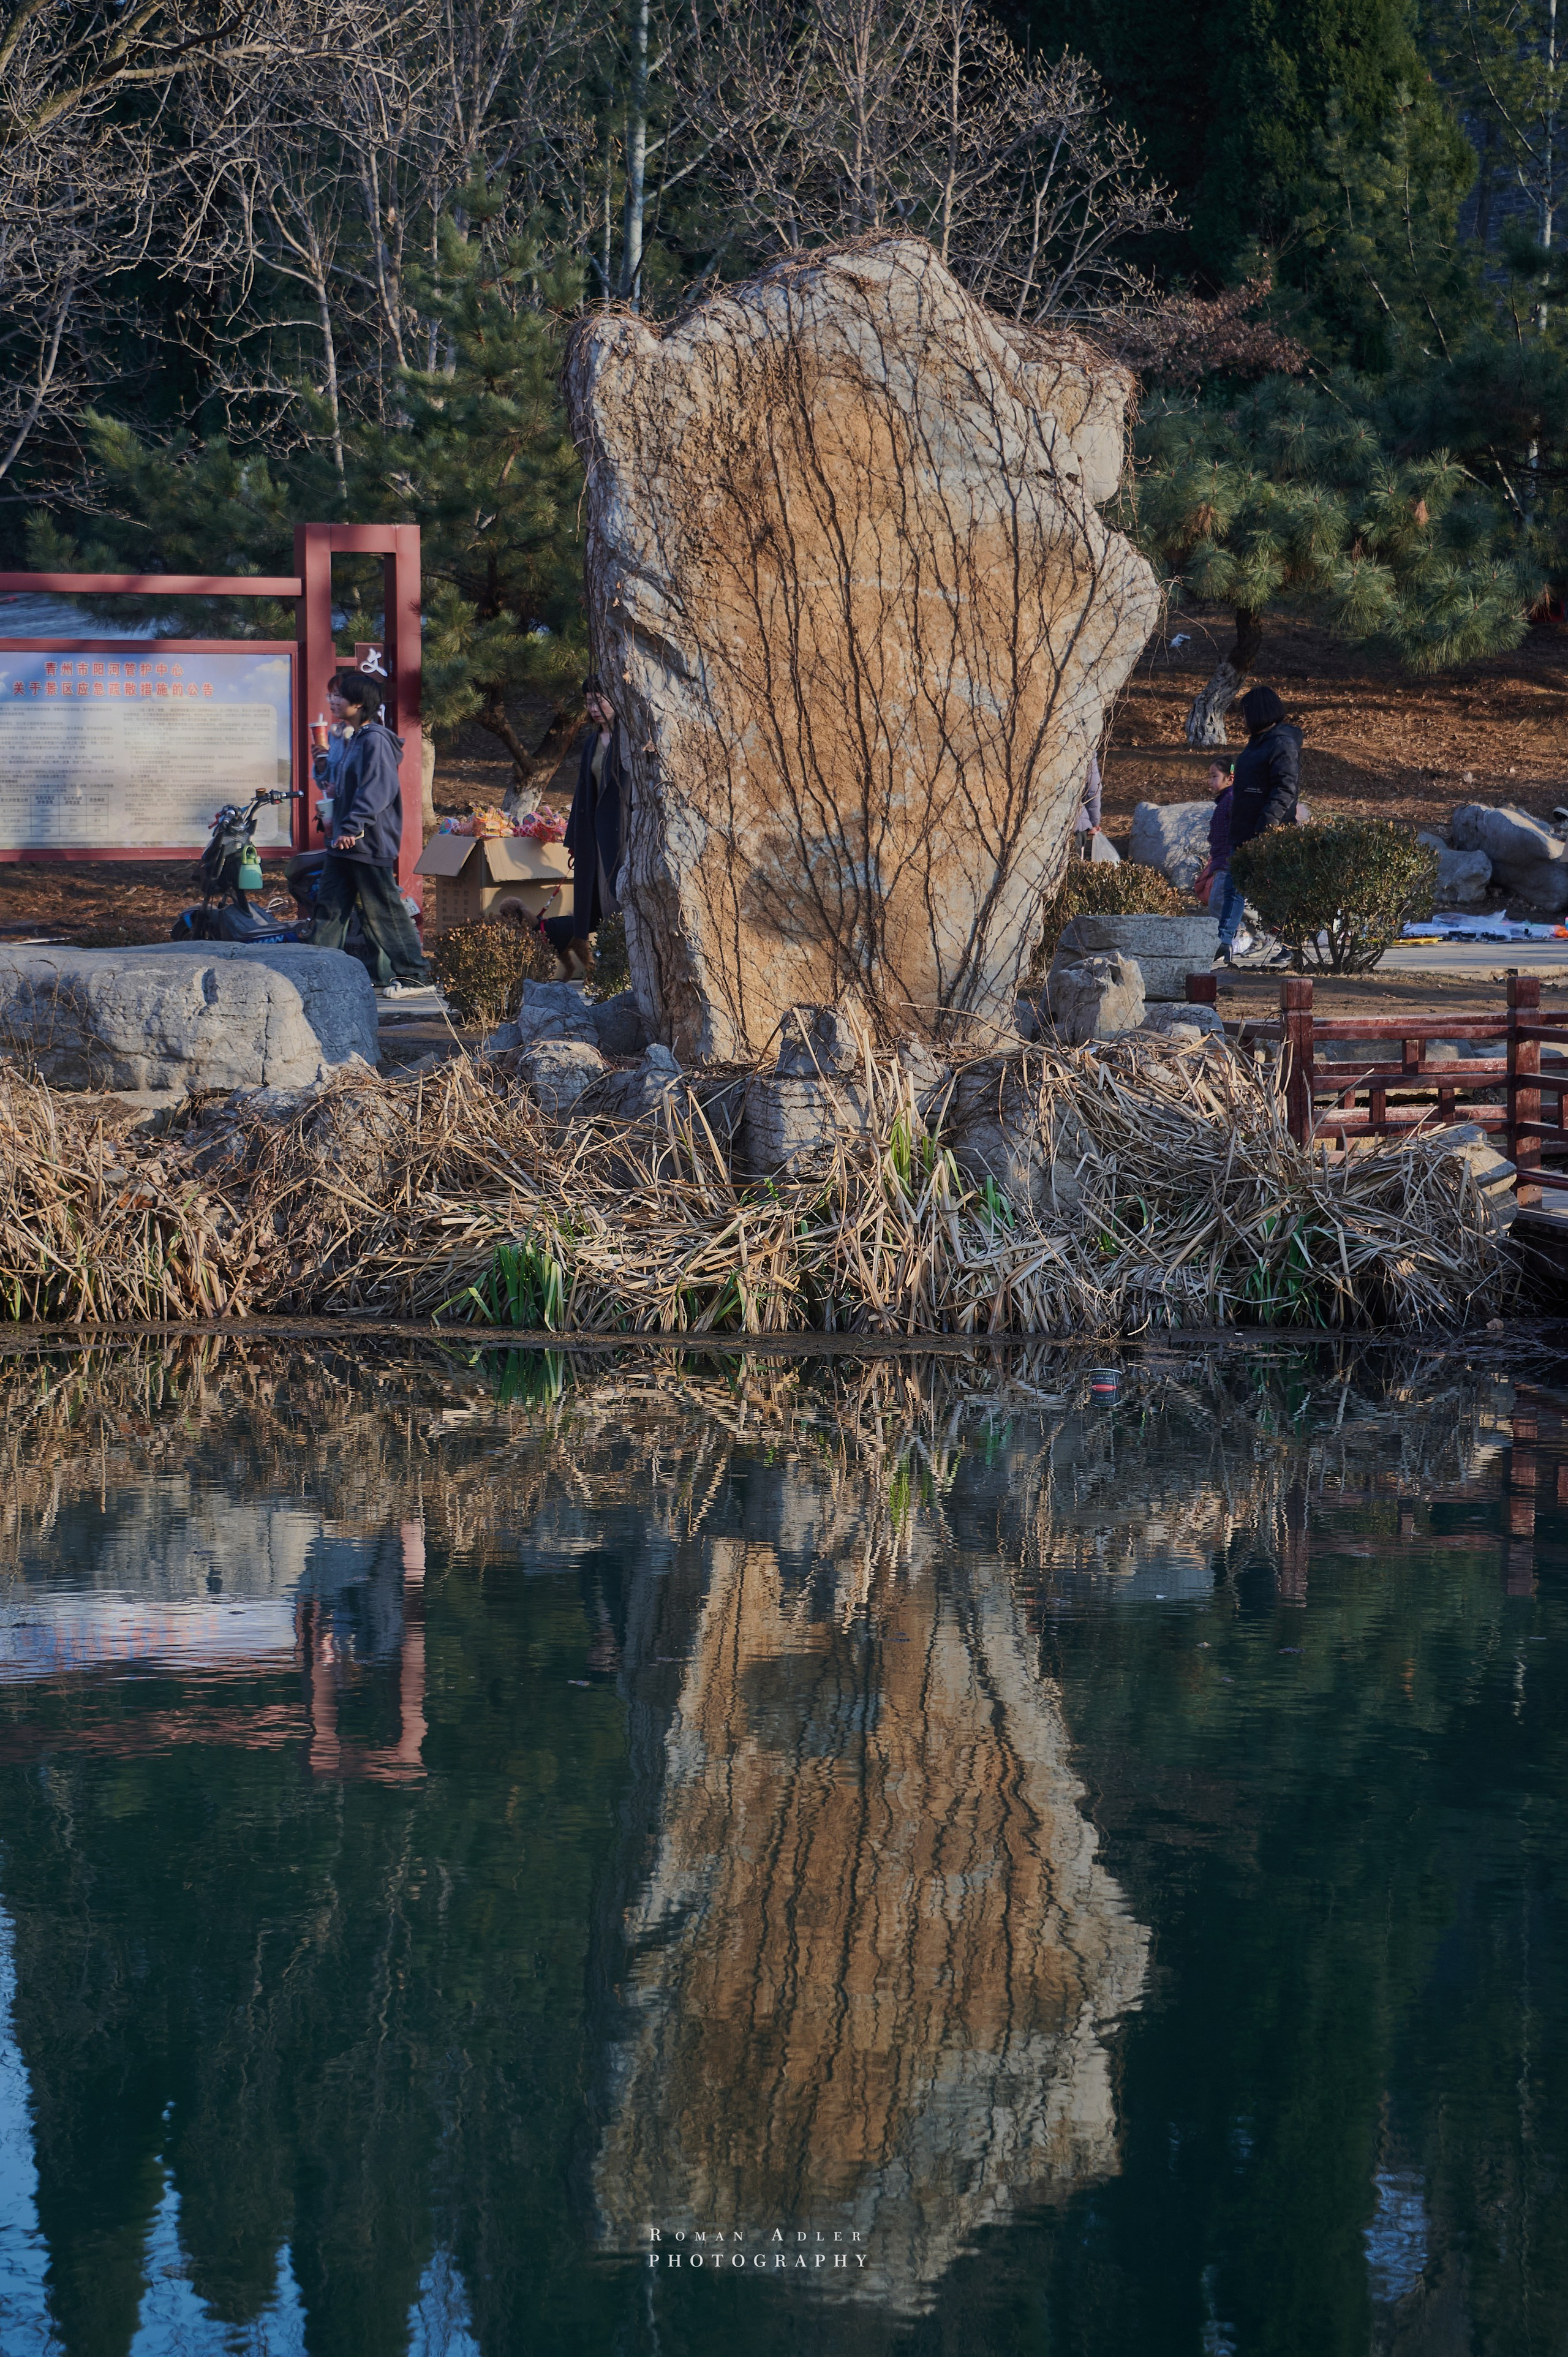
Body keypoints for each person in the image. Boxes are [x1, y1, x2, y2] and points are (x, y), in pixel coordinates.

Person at [309, 668, 432, 995]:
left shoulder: (375, 739)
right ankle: (315, 975)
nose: (334, 701)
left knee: (384, 909)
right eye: (333, 695)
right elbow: (343, 785)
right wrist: (326, 775)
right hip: (343, 842)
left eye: (340, 696)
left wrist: (352, 826)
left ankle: (415, 976)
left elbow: (377, 789)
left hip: (366, 840)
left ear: (359, 704)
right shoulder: (351, 738)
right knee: (330, 908)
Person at [543, 674, 624, 981]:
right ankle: (611, 971)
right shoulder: (592, 742)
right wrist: (575, 838)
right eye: (588, 701)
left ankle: (622, 968)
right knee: (600, 903)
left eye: (599, 699)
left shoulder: (629, 737)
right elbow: (582, 792)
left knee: (620, 898)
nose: (593, 707)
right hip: (595, 837)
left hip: (624, 834)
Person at [1226, 684, 1303, 967]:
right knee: (1239, 890)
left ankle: (1290, 944)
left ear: (1258, 713)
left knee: (1276, 893)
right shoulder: (1257, 742)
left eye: (1244, 713)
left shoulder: (1282, 743)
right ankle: (1232, 942)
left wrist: (1266, 827)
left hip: (1268, 833)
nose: (1241, 720)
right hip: (1244, 830)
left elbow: (1285, 789)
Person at [1206, 757, 1253, 964]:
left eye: (1214, 776)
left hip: (1229, 862)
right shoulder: (1225, 801)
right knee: (1220, 903)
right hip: (1221, 861)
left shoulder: (1233, 800)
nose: (1210, 781)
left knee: (1220, 902)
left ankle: (1223, 943)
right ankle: (1223, 944)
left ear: (1230, 778)